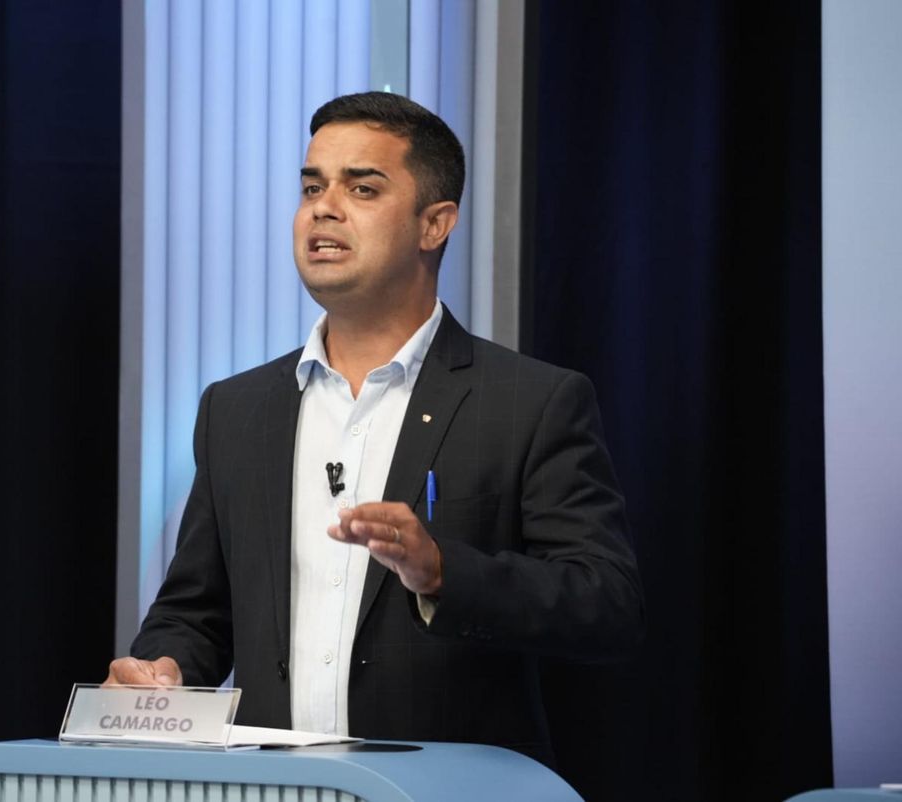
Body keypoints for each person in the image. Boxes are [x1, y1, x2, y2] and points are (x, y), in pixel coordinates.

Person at [106, 91, 643, 766]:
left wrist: (444, 571)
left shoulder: (531, 401)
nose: (323, 207)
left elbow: (607, 604)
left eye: (361, 187)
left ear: (434, 224)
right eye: (312, 186)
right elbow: (196, 612)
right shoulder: (236, 409)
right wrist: (163, 674)